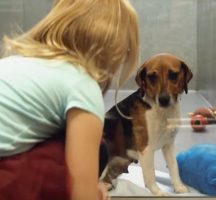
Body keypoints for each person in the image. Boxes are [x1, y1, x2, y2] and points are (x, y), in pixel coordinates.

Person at [0, 0, 139, 199]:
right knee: (93, 149)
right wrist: (93, 190)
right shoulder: (82, 86)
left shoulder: (16, 61)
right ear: (114, 50)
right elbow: (81, 195)